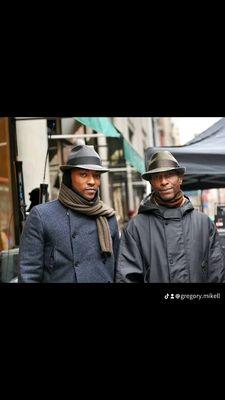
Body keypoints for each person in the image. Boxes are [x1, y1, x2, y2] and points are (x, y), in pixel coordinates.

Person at [116, 151, 225, 283]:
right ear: (151, 182)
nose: (163, 182)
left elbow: (217, 273)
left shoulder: (203, 223)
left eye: (169, 175)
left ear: (180, 178)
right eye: (157, 177)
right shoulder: (135, 227)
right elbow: (127, 277)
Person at [19, 144, 120, 283]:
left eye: (96, 176)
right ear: (69, 177)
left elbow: (118, 271)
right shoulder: (42, 216)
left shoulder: (108, 217)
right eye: (83, 174)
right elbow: (28, 273)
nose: (91, 181)